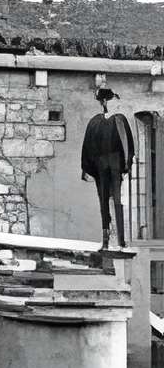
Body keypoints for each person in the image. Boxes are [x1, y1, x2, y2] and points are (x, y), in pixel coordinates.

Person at [81, 88, 136, 248]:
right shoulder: (96, 122)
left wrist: (127, 166)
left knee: (117, 200)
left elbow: (128, 145)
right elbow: (88, 146)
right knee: (105, 200)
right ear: (104, 102)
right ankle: (108, 239)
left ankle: (120, 239)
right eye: (109, 100)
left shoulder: (118, 120)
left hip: (113, 164)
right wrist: (87, 168)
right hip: (104, 165)